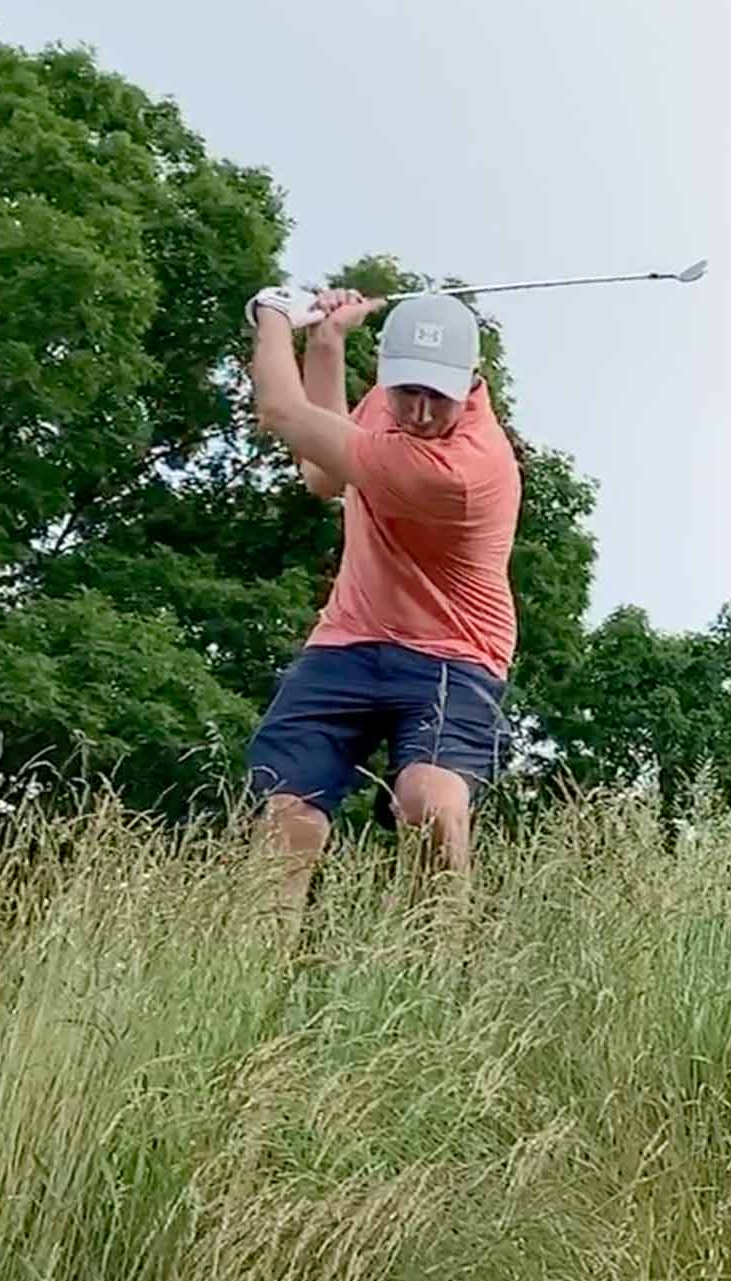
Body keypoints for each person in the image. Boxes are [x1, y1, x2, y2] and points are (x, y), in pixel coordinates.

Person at [240, 283, 521, 908]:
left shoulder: (463, 472)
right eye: (407, 390)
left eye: (436, 396)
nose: (419, 411)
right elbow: (322, 475)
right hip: (349, 638)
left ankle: (436, 972)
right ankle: (249, 986)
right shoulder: (385, 410)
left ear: (472, 382)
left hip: (455, 652)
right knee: (288, 818)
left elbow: (282, 412)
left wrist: (271, 315)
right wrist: (327, 342)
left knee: (429, 800)